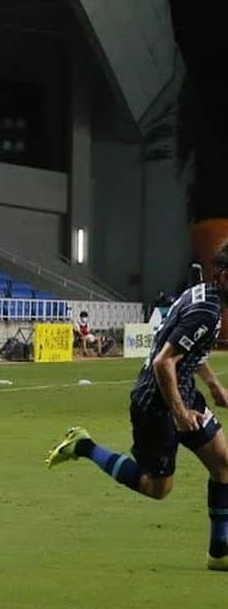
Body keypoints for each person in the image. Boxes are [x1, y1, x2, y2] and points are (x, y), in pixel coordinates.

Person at [46, 241, 228, 570]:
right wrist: (180, 415)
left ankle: (220, 551)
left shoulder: (205, 295)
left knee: (223, 464)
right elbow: (163, 363)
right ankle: (83, 445)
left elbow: (189, 352)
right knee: (157, 488)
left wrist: (214, 385)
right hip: (155, 402)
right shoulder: (207, 310)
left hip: (180, 389)